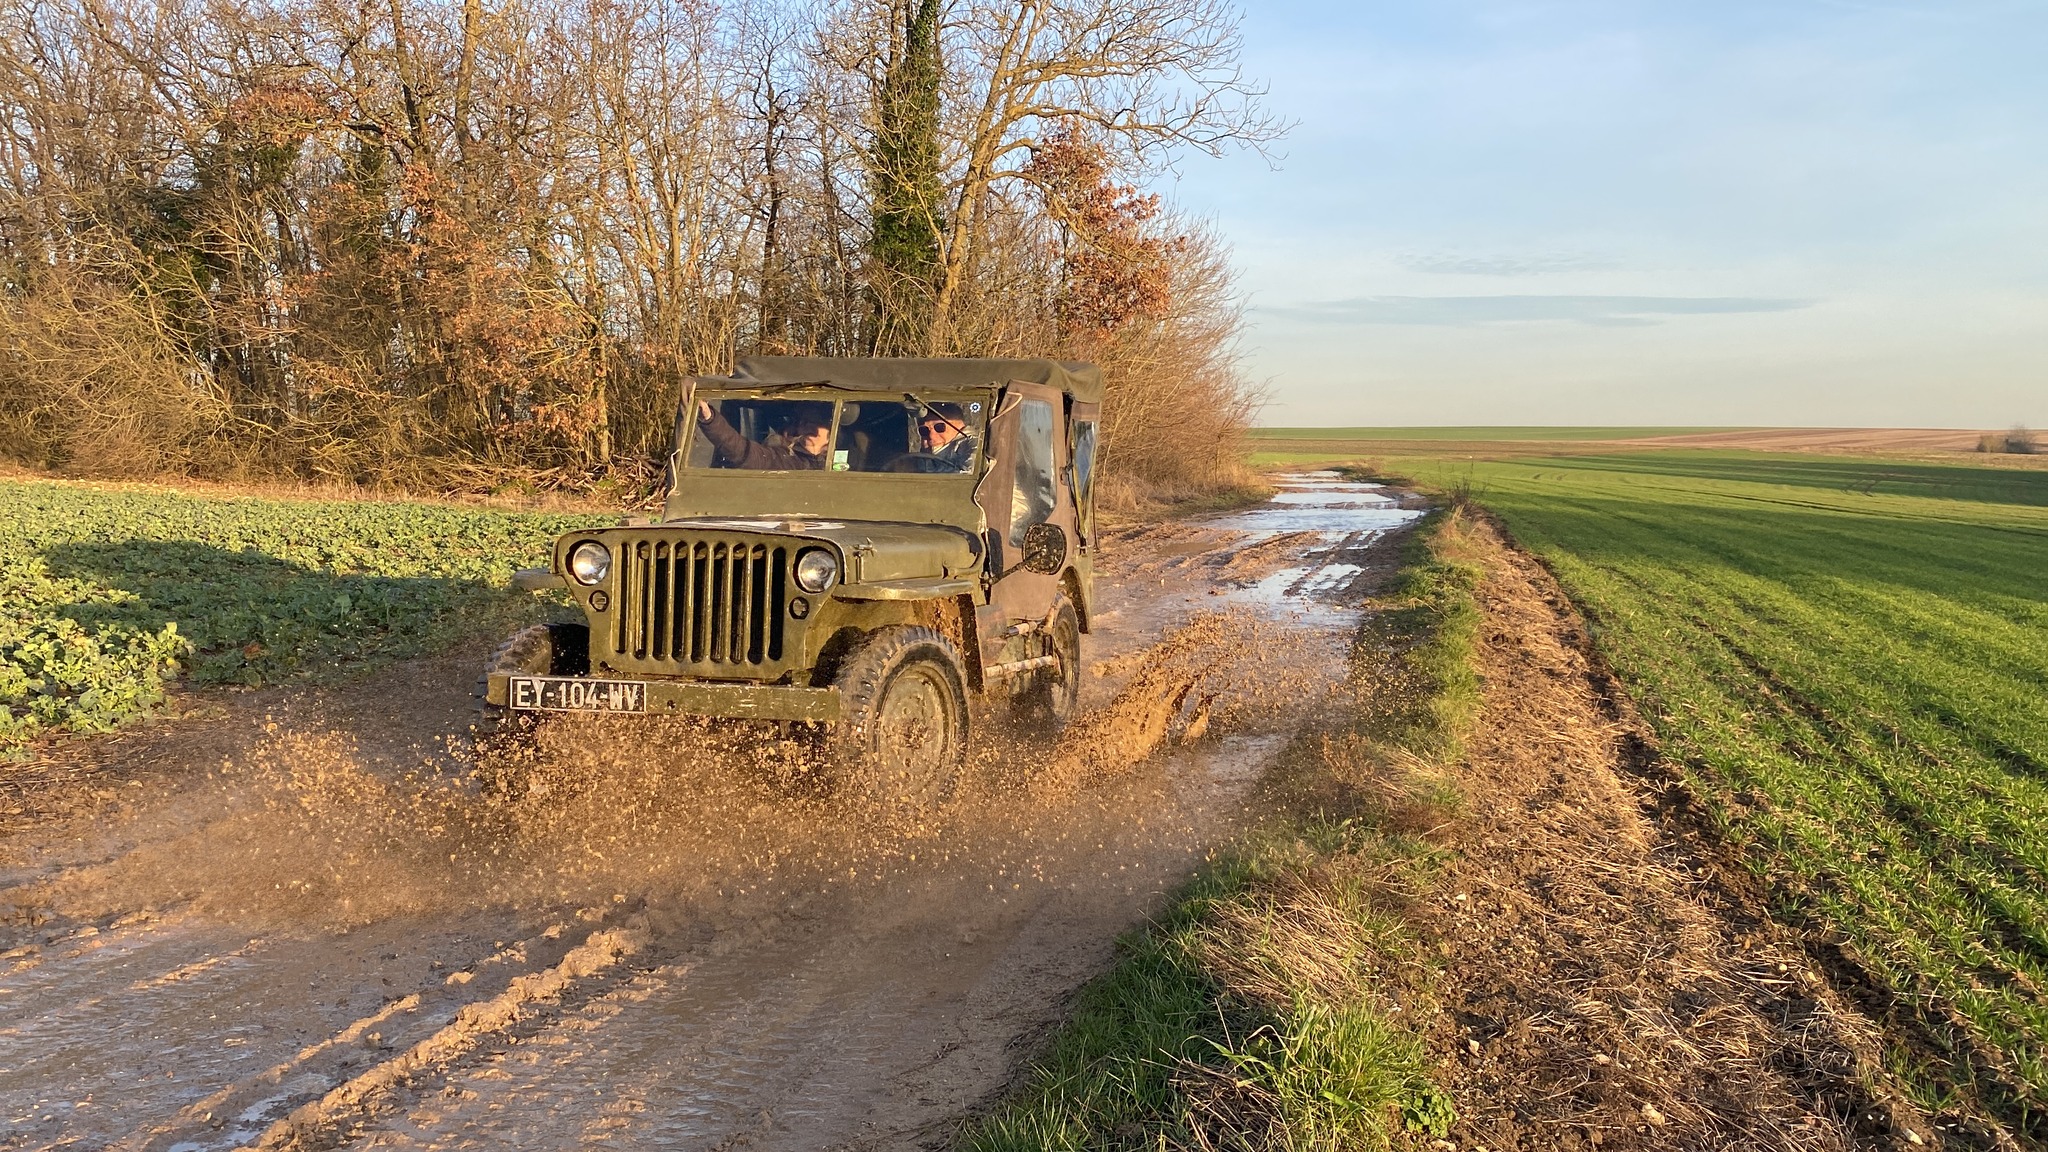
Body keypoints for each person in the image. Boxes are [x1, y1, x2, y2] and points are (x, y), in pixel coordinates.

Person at [697, 400, 831, 470]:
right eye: (803, 422)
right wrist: (710, 419)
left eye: (813, 423)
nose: (805, 428)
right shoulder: (789, 460)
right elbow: (744, 452)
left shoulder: (847, 462)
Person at [914, 403, 978, 472]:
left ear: (959, 425)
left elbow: (966, 476)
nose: (931, 436)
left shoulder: (974, 445)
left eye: (939, 427)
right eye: (924, 430)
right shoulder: (923, 456)